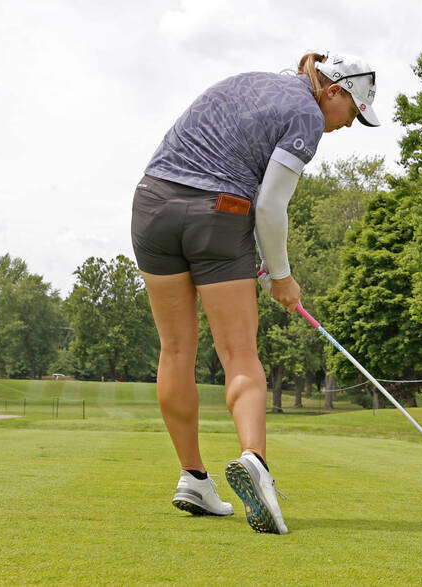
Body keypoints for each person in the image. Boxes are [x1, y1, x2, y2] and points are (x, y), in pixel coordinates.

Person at [131, 51, 379, 534]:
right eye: (353, 113)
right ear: (333, 91)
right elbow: (268, 206)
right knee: (239, 352)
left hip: (152, 203)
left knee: (176, 349)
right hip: (218, 209)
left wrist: (265, 266)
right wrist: (282, 276)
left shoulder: (252, 81)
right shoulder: (307, 114)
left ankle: (194, 479)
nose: (348, 125)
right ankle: (255, 463)